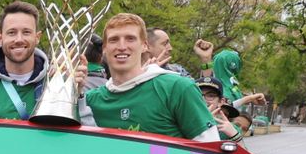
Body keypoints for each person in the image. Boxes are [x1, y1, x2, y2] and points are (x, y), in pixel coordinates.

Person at [84, 13, 218, 140]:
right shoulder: (91, 100)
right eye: (114, 40)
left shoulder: (178, 88)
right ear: (104, 48)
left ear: (145, 46)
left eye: (130, 39)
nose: (122, 46)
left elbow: (209, 151)